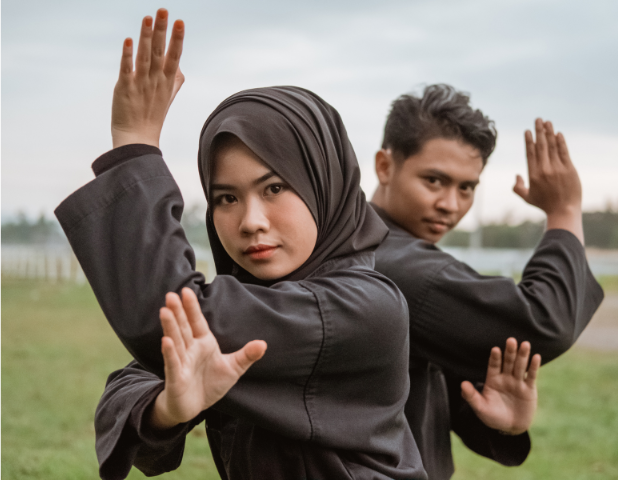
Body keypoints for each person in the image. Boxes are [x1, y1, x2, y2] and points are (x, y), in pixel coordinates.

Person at [54, 11, 541, 480]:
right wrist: (166, 408)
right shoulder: (252, 298)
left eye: (274, 188)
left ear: (323, 186)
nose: (251, 221)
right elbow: (132, 380)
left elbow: (159, 317)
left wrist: (134, 144)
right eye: (226, 197)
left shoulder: (364, 307)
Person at [370, 84, 605, 479]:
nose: (450, 204)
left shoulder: (379, 248)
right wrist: (564, 212)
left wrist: (497, 420)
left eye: (466, 188)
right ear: (384, 166)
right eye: (434, 180)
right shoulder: (392, 260)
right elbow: (545, 320)